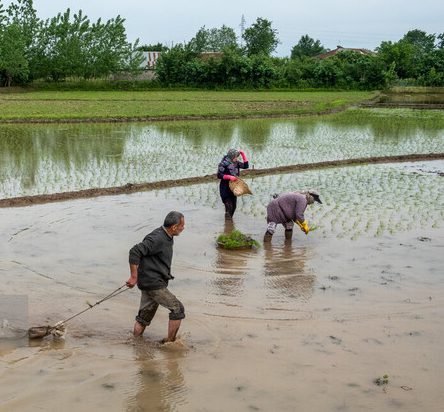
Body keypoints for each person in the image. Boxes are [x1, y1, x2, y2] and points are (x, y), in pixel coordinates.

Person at [126, 211, 185, 343]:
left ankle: (136, 343)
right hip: (153, 284)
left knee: (143, 318)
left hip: (148, 282)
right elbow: (134, 251)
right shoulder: (157, 238)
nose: (183, 228)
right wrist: (133, 277)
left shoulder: (165, 235)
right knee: (178, 309)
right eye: (182, 225)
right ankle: (169, 344)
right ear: (174, 227)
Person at [217, 148, 249, 219]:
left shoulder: (236, 163)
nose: (236, 158)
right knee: (229, 207)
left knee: (234, 206)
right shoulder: (223, 164)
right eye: (235, 157)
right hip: (225, 188)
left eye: (237, 157)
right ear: (231, 156)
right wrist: (229, 177)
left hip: (234, 188)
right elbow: (219, 175)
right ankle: (228, 225)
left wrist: (243, 154)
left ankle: (229, 224)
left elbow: (246, 166)